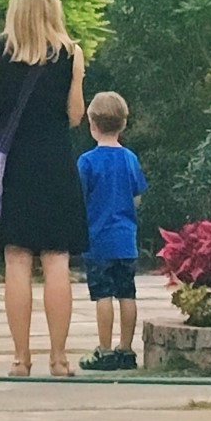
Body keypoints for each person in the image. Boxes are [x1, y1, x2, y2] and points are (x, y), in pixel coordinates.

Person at [0, 0, 88, 377]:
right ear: (53, 3)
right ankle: (59, 359)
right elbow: (75, 116)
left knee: (17, 260)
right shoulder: (71, 52)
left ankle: (21, 359)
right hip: (56, 162)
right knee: (57, 260)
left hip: (17, 165)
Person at [76, 91, 148, 371]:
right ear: (124, 124)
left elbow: (80, 198)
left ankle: (104, 350)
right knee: (127, 294)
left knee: (102, 295)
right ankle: (126, 349)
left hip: (98, 240)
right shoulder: (130, 158)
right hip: (125, 240)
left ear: (91, 123)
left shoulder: (87, 161)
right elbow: (137, 196)